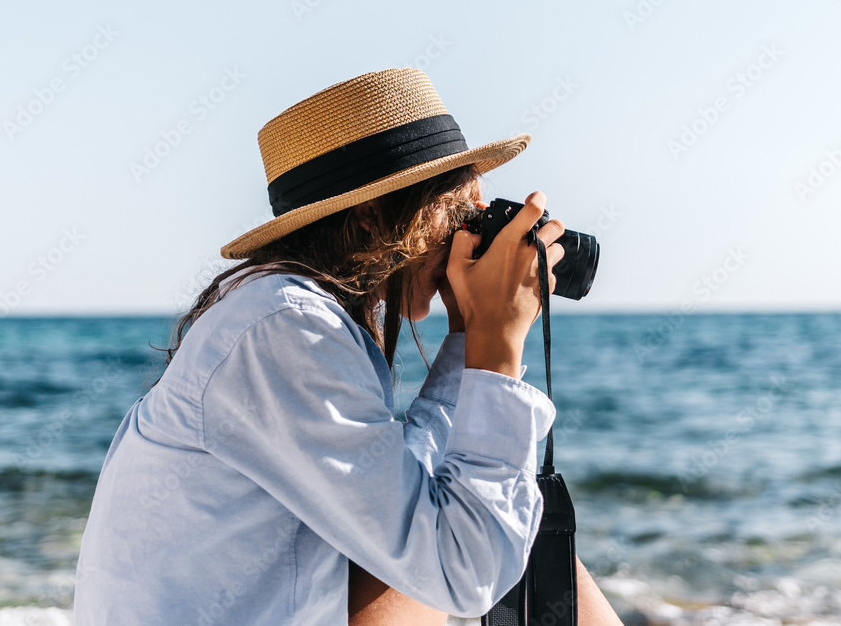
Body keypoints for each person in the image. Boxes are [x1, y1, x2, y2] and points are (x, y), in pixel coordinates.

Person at [74, 68, 620, 624]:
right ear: (370, 214)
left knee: (523, 535)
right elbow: (465, 570)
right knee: (513, 540)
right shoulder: (286, 327)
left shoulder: (282, 312)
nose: (469, 232)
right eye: (457, 211)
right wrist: (497, 346)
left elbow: (409, 502)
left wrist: (465, 338)